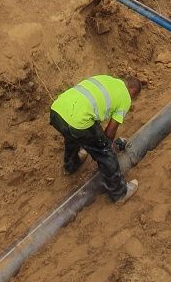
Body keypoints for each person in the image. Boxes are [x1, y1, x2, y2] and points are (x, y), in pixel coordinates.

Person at [49, 74, 142, 204]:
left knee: (71, 136)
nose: (132, 99)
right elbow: (111, 130)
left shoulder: (106, 79)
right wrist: (106, 146)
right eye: (134, 97)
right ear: (132, 91)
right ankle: (120, 194)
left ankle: (70, 165)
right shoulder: (125, 97)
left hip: (57, 111)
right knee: (105, 153)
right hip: (78, 121)